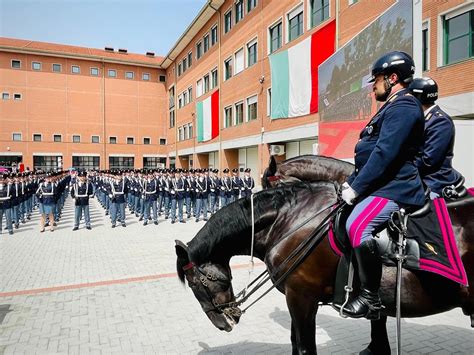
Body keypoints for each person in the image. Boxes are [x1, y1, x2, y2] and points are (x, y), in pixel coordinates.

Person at [340, 51, 425, 319]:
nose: (373, 85)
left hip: (396, 187)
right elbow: (368, 156)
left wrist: (357, 188)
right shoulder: (391, 106)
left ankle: (370, 297)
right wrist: (350, 183)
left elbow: (384, 153)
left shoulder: (405, 106)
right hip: (381, 184)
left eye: (376, 80)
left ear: (392, 78)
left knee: (358, 225)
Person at [409, 77, 463, 198]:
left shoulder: (440, 121)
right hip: (420, 178)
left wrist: (402, 169)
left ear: (417, 98)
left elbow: (428, 161)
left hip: (435, 181)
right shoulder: (422, 119)